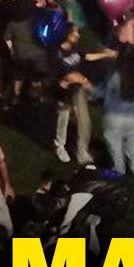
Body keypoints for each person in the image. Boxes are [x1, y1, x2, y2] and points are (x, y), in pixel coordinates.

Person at [52, 26, 113, 165]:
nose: (78, 35)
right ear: (66, 34)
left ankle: (82, 151)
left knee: (84, 122)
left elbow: (86, 56)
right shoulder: (56, 52)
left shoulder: (75, 47)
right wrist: (85, 81)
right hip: (63, 92)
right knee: (63, 119)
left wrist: (106, 55)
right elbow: (68, 75)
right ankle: (60, 145)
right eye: (74, 33)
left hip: (76, 90)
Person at [99, 43, 134, 175]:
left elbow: (102, 92)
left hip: (115, 115)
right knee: (131, 135)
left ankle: (119, 170)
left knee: (114, 142)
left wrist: (86, 85)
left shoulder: (116, 74)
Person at [2, 0, 52, 104]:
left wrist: (12, 51)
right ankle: (36, 95)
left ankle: (16, 96)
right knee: (36, 77)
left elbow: (8, 39)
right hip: (38, 54)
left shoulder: (13, 23)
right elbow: (45, 32)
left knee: (19, 77)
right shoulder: (36, 18)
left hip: (22, 54)